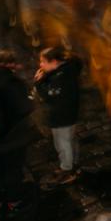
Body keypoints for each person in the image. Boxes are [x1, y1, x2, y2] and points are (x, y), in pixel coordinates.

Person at [0, 50, 39, 215]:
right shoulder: (12, 82)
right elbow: (25, 108)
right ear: (7, 65)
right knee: (12, 173)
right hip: (11, 141)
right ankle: (14, 202)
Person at [34, 46, 83, 182]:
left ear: (54, 62)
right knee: (71, 140)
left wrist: (38, 82)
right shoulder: (68, 70)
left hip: (61, 117)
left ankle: (67, 170)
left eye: (43, 61)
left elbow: (49, 96)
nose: (40, 65)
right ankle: (74, 164)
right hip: (69, 114)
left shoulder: (60, 78)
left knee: (62, 144)